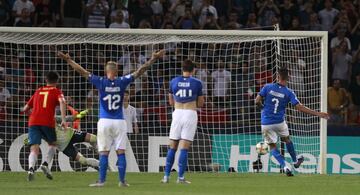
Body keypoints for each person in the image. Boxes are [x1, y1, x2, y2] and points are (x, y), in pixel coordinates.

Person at [58, 49, 165, 187]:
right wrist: (153, 58)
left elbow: (82, 71)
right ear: (117, 71)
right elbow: (140, 71)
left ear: (106, 71)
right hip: (120, 121)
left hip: (104, 121)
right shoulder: (122, 81)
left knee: (104, 152)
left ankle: (101, 181)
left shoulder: (100, 81)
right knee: (121, 152)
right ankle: (122, 181)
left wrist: (68, 60)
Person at [255, 67, 329, 176]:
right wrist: (318, 114)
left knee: (272, 146)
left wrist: (262, 108)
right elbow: (300, 107)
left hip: (266, 123)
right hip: (279, 122)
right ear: (288, 77)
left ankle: (285, 166)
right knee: (287, 140)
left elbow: (257, 100)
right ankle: (295, 161)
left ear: (277, 76)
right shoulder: (289, 92)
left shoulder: (267, 87)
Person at [161, 59, 204, 184]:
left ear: (182, 69)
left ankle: (166, 176)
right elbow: (201, 103)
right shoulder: (197, 83)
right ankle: (180, 177)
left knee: (172, 146)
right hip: (190, 114)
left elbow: (170, 102)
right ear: (193, 70)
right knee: (184, 148)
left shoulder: (173, 81)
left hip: (177, 113)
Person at [24, 109, 101, 180]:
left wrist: (27, 141)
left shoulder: (40, 124)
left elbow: (65, 118)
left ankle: (97, 150)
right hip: (65, 142)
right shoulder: (44, 121)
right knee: (84, 160)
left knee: (94, 139)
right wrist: (78, 116)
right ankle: (103, 164)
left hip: (69, 135)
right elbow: (66, 118)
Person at [22, 71, 67, 181]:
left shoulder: (38, 91)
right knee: (53, 144)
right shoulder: (57, 91)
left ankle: (31, 169)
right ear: (57, 81)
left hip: (33, 122)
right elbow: (63, 102)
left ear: (46, 80)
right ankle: (45, 164)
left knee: (34, 147)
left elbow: (24, 109)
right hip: (47, 122)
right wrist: (63, 119)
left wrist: (32, 114)